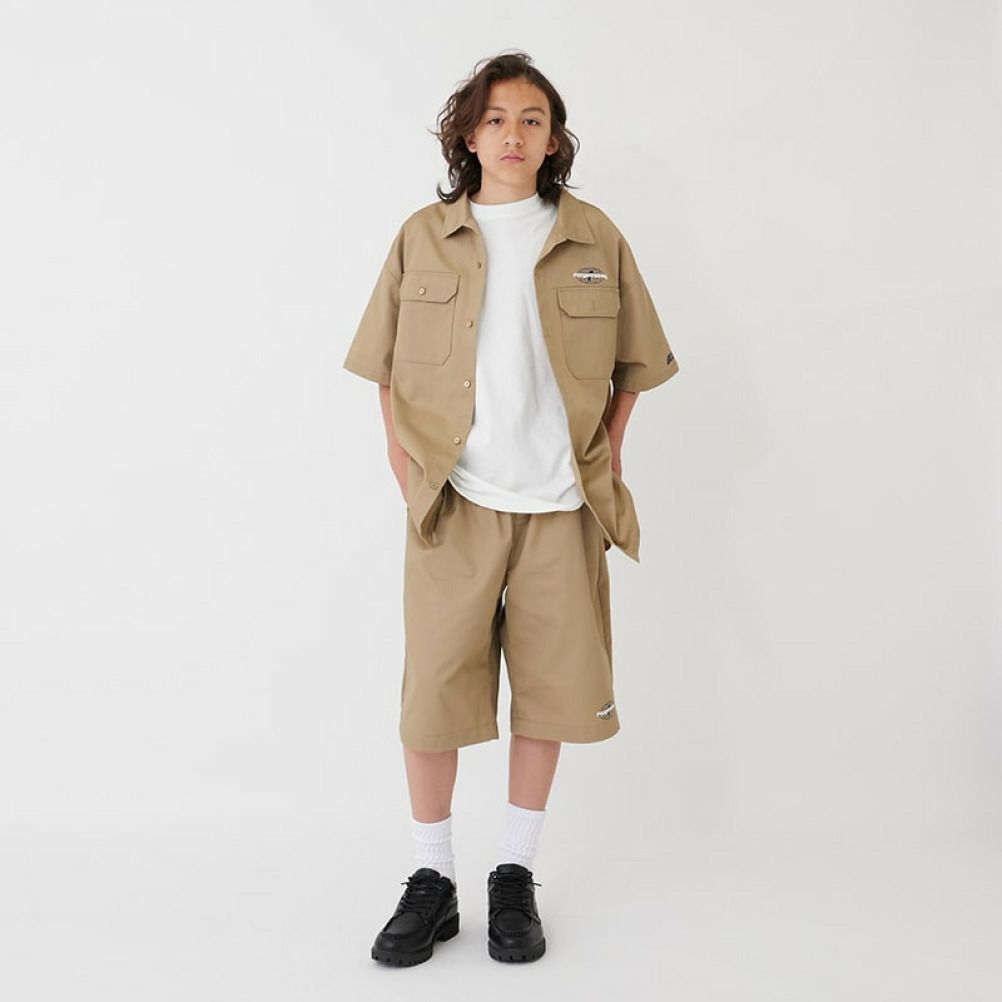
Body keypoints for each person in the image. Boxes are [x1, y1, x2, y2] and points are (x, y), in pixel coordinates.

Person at [342, 51, 680, 966]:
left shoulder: (593, 236)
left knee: (548, 695)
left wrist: (605, 453)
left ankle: (514, 875)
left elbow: (636, 364)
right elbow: (383, 364)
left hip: (562, 509)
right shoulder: (423, 236)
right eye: (494, 119)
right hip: (452, 504)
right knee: (433, 698)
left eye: (532, 119)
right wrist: (403, 463)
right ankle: (432, 878)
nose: (513, 134)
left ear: (555, 138)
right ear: (468, 134)